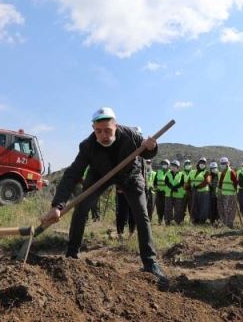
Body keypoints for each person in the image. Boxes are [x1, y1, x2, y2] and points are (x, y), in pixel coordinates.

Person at [40, 107, 168, 286]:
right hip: (99, 174)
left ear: (115, 125)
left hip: (129, 174)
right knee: (81, 209)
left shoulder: (131, 135)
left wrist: (152, 147)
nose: (104, 135)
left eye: (108, 130)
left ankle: (150, 263)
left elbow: (146, 152)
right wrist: (57, 205)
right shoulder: (87, 146)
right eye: (99, 131)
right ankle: (71, 255)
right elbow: (72, 174)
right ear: (93, 129)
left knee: (142, 215)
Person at [216, 156, 238, 227]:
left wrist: (236, 192)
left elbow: (235, 183)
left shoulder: (231, 172)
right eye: (222, 163)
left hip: (230, 195)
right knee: (221, 209)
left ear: (228, 163)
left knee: (229, 210)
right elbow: (219, 184)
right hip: (221, 194)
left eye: (224, 163)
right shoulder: (220, 173)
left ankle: (229, 224)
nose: (223, 165)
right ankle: (223, 223)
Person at [188, 157, 211, 224]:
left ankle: (202, 220)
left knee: (204, 206)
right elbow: (189, 181)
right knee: (195, 205)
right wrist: (188, 187)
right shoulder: (192, 172)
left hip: (204, 192)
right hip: (194, 191)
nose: (202, 164)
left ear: (205, 164)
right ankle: (196, 219)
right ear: (198, 163)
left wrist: (197, 186)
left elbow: (207, 181)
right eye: (201, 162)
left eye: (204, 163)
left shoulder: (207, 172)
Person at [165, 160, 187, 224]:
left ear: (178, 167)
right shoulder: (168, 173)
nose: (173, 167)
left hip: (178, 194)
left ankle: (178, 221)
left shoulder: (181, 174)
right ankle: (168, 220)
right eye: (172, 166)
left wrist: (175, 187)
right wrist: (172, 187)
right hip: (169, 194)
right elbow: (166, 182)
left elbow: (182, 183)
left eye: (175, 166)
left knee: (178, 208)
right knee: (168, 208)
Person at [153, 159, 170, 225]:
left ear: (168, 165)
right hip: (159, 192)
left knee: (166, 207)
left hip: (167, 193)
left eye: (165, 164)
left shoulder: (170, 173)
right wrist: (156, 188)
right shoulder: (158, 172)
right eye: (163, 164)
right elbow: (155, 182)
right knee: (159, 207)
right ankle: (160, 219)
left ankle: (166, 220)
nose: (164, 165)